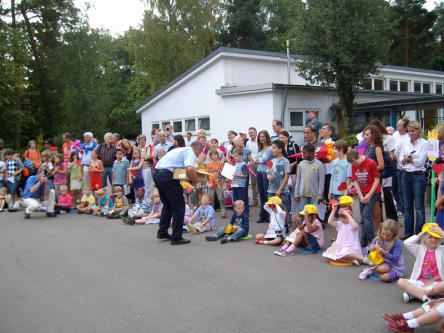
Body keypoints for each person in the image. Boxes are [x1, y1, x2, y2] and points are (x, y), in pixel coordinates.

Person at [153, 141, 204, 245]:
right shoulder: (190, 151)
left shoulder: (180, 150)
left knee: (167, 205)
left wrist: (188, 180)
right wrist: (195, 182)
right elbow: (190, 168)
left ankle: (162, 232)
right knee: (179, 207)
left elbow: (181, 171)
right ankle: (176, 237)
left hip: (158, 174)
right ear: (198, 149)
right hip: (167, 176)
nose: (199, 154)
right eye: (200, 152)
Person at [397, 223, 444, 303]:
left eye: (436, 237)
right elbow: (407, 243)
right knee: (400, 281)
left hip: (436, 283)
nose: (434, 239)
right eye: (430, 237)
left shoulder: (442, 250)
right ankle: (425, 298)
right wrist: (419, 236)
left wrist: (441, 233)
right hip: (420, 282)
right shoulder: (420, 249)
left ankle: (413, 294)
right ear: (424, 238)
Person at [398, 120, 428, 240]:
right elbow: (400, 158)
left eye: (413, 131)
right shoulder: (406, 143)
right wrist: (407, 160)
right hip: (407, 174)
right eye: (409, 131)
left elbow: (421, 161)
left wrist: (409, 160)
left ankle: (419, 233)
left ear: (418, 131)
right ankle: (409, 232)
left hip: (418, 175)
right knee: (407, 205)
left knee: (419, 207)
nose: (410, 133)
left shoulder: (424, 143)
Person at [347, 149, 381, 247]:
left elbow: (376, 179)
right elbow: (355, 181)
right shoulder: (354, 165)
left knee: (367, 215)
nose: (356, 165)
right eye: (353, 164)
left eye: (356, 163)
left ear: (358, 157)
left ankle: (371, 239)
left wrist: (369, 195)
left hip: (373, 192)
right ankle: (363, 239)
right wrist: (361, 195)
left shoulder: (371, 163)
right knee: (363, 217)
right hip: (362, 193)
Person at [294, 144, 324, 211]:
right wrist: (296, 193)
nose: (303, 155)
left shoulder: (319, 164)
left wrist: (320, 195)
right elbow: (298, 179)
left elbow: (321, 181)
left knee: (313, 213)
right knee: (302, 212)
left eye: (304, 153)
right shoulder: (301, 164)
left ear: (311, 153)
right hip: (303, 195)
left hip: (314, 195)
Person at [267, 140, 291, 214]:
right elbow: (268, 172)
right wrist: (268, 176)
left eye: (274, 148)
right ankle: (274, 224)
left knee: (283, 209)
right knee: (272, 209)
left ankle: (285, 224)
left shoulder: (285, 161)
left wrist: (280, 189)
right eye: (272, 148)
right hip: (271, 190)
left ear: (280, 149)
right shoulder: (271, 161)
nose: (272, 150)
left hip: (282, 190)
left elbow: (287, 176)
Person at [393, 118, 410, 218]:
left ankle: (401, 208)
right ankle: (399, 205)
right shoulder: (395, 135)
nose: (397, 126)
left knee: (401, 189)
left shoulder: (408, 137)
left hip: (402, 167)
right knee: (394, 188)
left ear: (405, 127)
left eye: (399, 125)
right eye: (397, 124)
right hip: (394, 165)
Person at [255, 130, 273, 223]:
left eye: (263, 136)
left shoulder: (270, 148)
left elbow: (264, 159)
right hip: (259, 172)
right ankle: (262, 215)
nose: (261, 138)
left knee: (267, 195)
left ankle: (270, 216)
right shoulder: (260, 148)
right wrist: (258, 160)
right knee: (261, 195)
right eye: (260, 137)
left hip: (266, 173)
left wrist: (259, 160)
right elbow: (255, 159)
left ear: (267, 137)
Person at [206, 149, 226, 218]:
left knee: (221, 198)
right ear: (210, 156)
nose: (213, 156)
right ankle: (210, 213)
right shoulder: (208, 164)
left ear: (217, 155)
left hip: (218, 183)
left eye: (215, 154)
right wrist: (208, 183)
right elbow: (206, 175)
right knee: (211, 199)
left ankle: (223, 212)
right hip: (211, 184)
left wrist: (220, 180)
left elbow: (222, 175)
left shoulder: (220, 164)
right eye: (212, 155)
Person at [137, 135, 153, 201]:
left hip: (146, 168)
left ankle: (148, 199)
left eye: (143, 140)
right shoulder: (137, 148)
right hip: (139, 169)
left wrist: (141, 157)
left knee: (147, 185)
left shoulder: (147, 147)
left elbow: (148, 156)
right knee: (141, 185)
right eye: (140, 140)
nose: (142, 141)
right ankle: (142, 198)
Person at [246, 127, 259, 206]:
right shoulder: (248, 143)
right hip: (252, 164)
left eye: (252, 132)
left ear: (256, 133)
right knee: (253, 183)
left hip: (260, 163)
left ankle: (264, 199)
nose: (251, 134)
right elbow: (248, 153)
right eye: (249, 133)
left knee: (261, 182)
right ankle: (255, 200)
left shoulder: (259, 141)